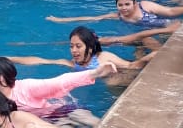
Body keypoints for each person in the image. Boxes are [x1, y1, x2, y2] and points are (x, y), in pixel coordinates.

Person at [46, 0, 183, 48]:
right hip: (152, 34)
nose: (124, 8)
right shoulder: (117, 16)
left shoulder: (145, 6)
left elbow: (170, 12)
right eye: (120, 5)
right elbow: (91, 18)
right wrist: (61, 20)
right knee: (144, 41)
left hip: (170, 27)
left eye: (127, 4)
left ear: (134, 3)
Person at [9, 26, 153, 87]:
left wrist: (149, 57)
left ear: (89, 48)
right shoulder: (73, 65)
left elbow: (132, 66)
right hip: (105, 81)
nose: (74, 50)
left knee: (112, 83)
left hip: (124, 74)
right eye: (71, 46)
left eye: (78, 46)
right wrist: (9, 59)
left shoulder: (103, 57)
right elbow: (39, 60)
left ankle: (140, 49)